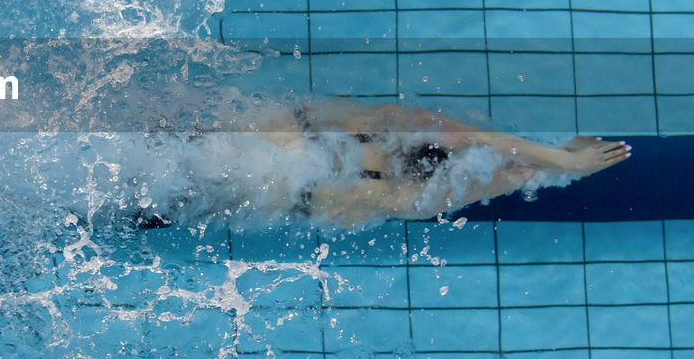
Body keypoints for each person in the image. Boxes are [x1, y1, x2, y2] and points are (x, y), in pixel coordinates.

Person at [259, 100, 631, 225]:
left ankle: (558, 157)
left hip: (262, 141)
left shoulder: (375, 124)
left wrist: (564, 160)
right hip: (271, 192)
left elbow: (480, 142)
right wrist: (566, 164)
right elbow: (495, 161)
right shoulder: (402, 199)